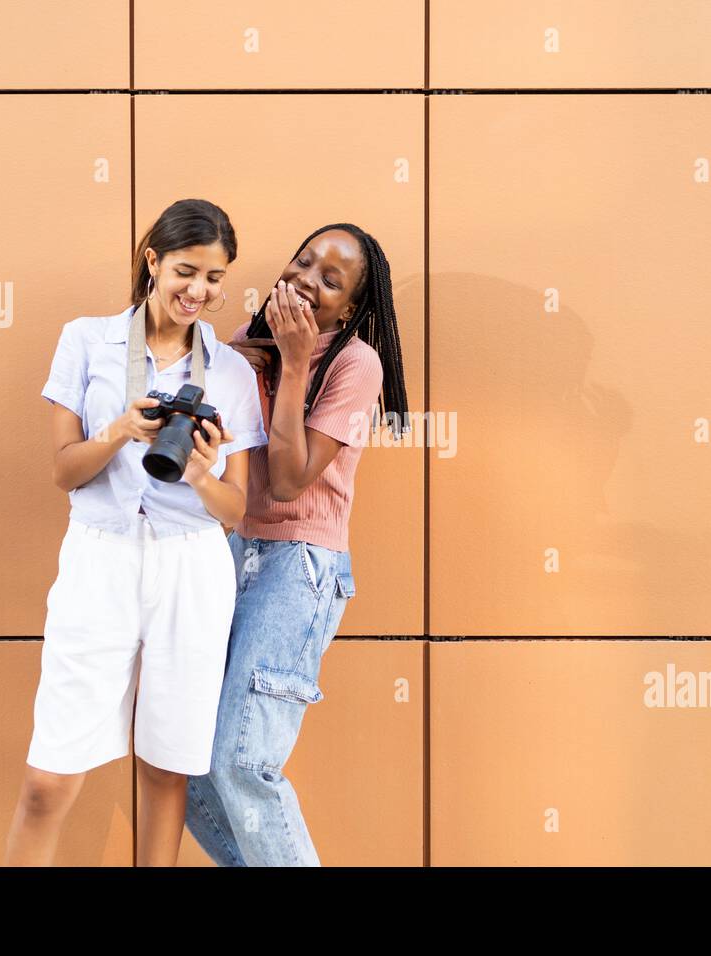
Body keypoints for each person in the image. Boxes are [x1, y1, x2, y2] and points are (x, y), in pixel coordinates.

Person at [5, 199, 267, 866]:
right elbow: (65, 472)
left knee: (166, 768)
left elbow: (235, 511)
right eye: (186, 270)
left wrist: (204, 474)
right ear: (152, 261)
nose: (199, 291)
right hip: (100, 558)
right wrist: (121, 429)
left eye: (215, 278)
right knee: (47, 779)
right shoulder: (86, 340)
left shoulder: (231, 371)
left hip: (192, 566)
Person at [184, 223, 409, 866]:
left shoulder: (354, 364)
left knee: (240, 760)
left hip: (299, 568)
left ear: (352, 308)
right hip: (232, 560)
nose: (308, 280)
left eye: (330, 280)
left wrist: (295, 363)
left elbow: (285, 482)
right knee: (192, 767)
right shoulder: (239, 351)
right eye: (304, 262)